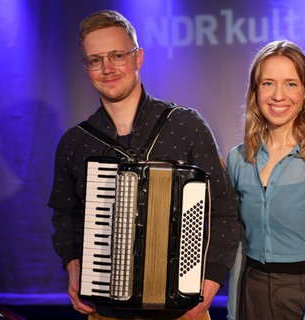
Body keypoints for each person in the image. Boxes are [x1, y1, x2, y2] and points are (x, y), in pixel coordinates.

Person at [48, 10, 239, 320]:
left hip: (182, 309)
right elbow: (65, 213)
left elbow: (224, 208)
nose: (107, 68)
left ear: (138, 58)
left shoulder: (185, 125)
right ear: (86, 67)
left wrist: (211, 282)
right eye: (95, 60)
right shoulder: (75, 143)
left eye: (117, 55)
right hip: (106, 311)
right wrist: (72, 264)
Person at [226, 40, 305, 320]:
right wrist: (233, 312)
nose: (278, 95)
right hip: (253, 292)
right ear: (255, 92)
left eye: (291, 84)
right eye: (268, 83)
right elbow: (238, 248)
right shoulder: (237, 159)